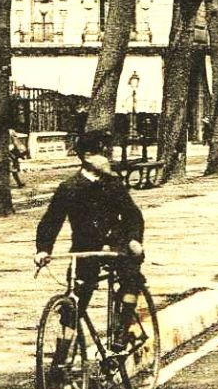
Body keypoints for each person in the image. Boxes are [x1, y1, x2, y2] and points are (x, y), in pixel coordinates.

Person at [33, 132, 148, 367]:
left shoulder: (113, 184)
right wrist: (43, 249)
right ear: (87, 157)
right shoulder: (70, 188)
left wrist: (134, 239)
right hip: (85, 249)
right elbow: (51, 220)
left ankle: (120, 330)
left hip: (117, 244)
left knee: (131, 278)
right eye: (103, 153)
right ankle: (61, 359)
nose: (109, 157)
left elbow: (132, 215)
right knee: (75, 299)